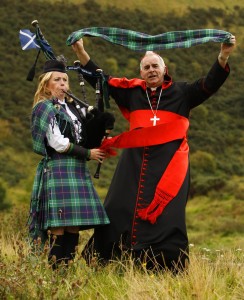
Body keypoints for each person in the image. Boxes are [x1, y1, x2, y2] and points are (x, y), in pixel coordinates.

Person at [71, 36, 236, 272]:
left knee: (168, 216)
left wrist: (223, 55)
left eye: (155, 66)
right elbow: (101, 80)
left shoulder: (183, 92)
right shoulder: (131, 92)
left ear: (164, 69)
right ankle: (106, 262)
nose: (151, 70)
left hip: (170, 164)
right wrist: (80, 52)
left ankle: (165, 267)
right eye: (146, 67)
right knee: (118, 207)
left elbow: (210, 84)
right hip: (133, 163)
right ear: (141, 72)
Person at [28, 59, 111, 269]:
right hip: (58, 168)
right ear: (47, 85)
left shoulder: (73, 108)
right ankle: (55, 272)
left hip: (77, 169)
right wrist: (88, 153)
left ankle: (67, 271)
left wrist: (101, 122)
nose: (63, 83)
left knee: (73, 225)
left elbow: (85, 136)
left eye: (65, 79)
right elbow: (57, 143)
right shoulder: (44, 108)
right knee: (59, 225)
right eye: (57, 80)